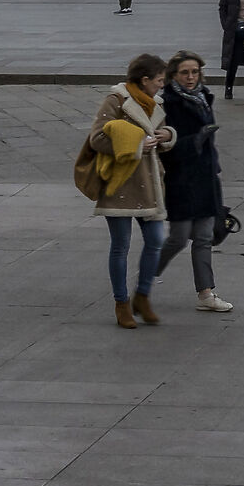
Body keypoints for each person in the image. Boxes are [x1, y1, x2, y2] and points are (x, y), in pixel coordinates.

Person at [84, 54, 175, 329]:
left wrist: (168, 135)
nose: (161, 86)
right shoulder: (116, 101)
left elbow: (159, 133)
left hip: (150, 184)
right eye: (159, 80)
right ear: (145, 80)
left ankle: (143, 296)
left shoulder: (155, 104)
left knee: (156, 239)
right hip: (121, 183)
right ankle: (122, 303)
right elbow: (97, 139)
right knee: (121, 246)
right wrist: (137, 147)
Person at [156, 53, 234, 313]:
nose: (190, 77)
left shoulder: (203, 97)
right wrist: (196, 140)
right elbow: (166, 147)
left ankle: (206, 293)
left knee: (202, 237)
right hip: (182, 179)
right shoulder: (168, 102)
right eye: (184, 73)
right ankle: (147, 275)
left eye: (194, 72)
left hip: (206, 177)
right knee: (178, 239)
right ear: (174, 75)